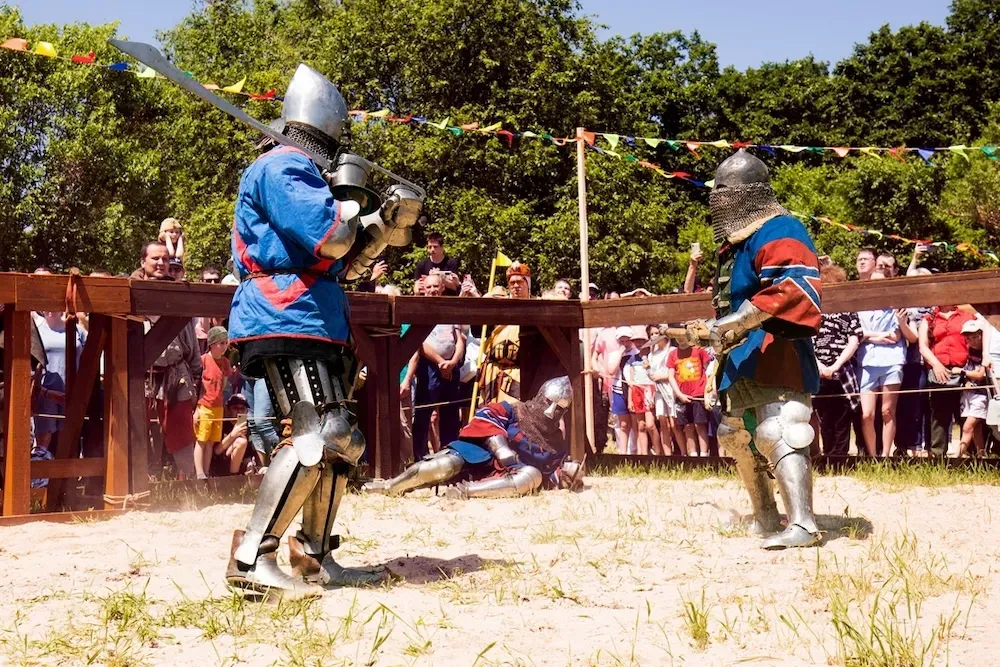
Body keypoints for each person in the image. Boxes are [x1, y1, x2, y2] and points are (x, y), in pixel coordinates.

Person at [224, 64, 423, 596]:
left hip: (317, 315)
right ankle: (251, 558)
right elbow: (333, 237)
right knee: (316, 435)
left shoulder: (305, 175)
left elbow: (348, 261)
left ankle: (314, 557)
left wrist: (389, 220)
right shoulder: (283, 167)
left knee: (341, 440)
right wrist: (357, 199)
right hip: (283, 311)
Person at [685, 149, 823, 549]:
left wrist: (732, 323)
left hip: (775, 346)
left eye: (725, 192)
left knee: (779, 428)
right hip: (738, 354)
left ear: (747, 193)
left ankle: (803, 523)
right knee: (734, 435)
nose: (718, 200)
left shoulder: (781, 229)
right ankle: (765, 517)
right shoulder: (733, 245)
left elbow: (795, 288)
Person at [364, 377, 583, 498]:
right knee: (443, 465)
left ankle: (465, 493)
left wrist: (567, 474)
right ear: (539, 397)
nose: (550, 411)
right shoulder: (513, 410)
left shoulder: (556, 441)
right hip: (478, 455)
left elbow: (550, 472)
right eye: (548, 402)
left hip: (505, 477)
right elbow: (486, 417)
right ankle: (389, 486)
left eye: (559, 409)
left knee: (532, 475)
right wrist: (500, 447)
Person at [408, 274, 466, 459]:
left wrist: (453, 362)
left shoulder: (450, 309)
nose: (433, 289)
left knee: (450, 412)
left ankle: (451, 454)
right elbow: (419, 342)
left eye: (436, 286)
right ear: (424, 288)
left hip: (451, 367)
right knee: (424, 412)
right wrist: (441, 362)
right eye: (430, 286)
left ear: (442, 287)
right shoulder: (419, 309)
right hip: (430, 367)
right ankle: (420, 456)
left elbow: (460, 340)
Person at [811, 266, 861, 456]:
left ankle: (840, 458)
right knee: (823, 417)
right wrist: (820, 367)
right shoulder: (813, 312)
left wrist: (836, 366)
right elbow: (806, 342)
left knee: (842, 418)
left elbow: (854, 339)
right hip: (818, 371)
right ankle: (827, 457)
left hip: (843, 372)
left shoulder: (848, 310)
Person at [857, 271, 905, 457]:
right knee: (867, 414)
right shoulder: (860, 307)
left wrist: (869, 336)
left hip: (892, 362)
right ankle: (872, 455)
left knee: (887, 411)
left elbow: (895, 336)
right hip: (867, 362)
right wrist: (877, 336)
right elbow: (858, 334)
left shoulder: (895, 308)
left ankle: (885, 455)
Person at [919, 304, 975, 457]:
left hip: (963, 369)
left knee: (966, 414)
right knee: (939, 415)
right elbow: (923, 346)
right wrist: (936, 365)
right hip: (940, 370)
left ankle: (970, 455)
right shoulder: (929, 319)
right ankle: (938, 457)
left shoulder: (967, 315)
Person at [475, 261, 531, 406]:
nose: (516, 286)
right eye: (512, 283)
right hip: (493, 373)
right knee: (491, 416)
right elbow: (477, 329)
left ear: (527, 284)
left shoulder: (536, 307)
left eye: (520, 282)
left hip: (519, 372)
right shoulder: (499, 308)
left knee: (515, 415)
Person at [194, 326, 233, 479]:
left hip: (218, 406)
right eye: (221, 343)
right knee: (201, 440)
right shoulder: (203, 360)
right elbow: (196, 385)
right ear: (212, 343)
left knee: (210, 442)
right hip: (204, 405)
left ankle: (206, 471)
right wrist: (196, 408)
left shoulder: (225, 363)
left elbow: (223, 385)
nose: (224, 346)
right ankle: (199, 473)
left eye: (225, 342)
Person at [667, 332, 711, 456]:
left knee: (700, 425)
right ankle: (692, 455)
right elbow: (671, 376)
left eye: (683, 336)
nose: (680, 339)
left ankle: (703, 455)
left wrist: (707, 391)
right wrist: (679, 394)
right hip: (682, 395)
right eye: (678, 336)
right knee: (688, 426)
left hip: (698, 393)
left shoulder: (699, 351)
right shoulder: (672, 354)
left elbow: (708, 371)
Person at [958, 319, 989, 457]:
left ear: (982, 335)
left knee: (967, 427)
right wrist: (966, 380)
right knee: (976, 429)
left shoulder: (985, 353)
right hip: (969, 394)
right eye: (968, 338)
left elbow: (981, 375)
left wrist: (961, 372)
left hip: (981, 395)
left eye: (976, 337)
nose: (972, 341)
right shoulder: (969, 352)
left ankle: (958, 457)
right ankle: (981, 456)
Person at [210, 393, 252, 476]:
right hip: (220, 465)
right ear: (228, 410)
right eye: (235, 408)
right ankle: (233, 478)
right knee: (241, 442)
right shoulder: (222, 425)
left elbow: (248, 454)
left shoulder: (248, 427)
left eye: (242, 408)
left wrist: (249, 465)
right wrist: (233, 434)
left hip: (240, 463)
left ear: (246, 412)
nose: (239, 411)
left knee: (264, 470)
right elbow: (216, 451)